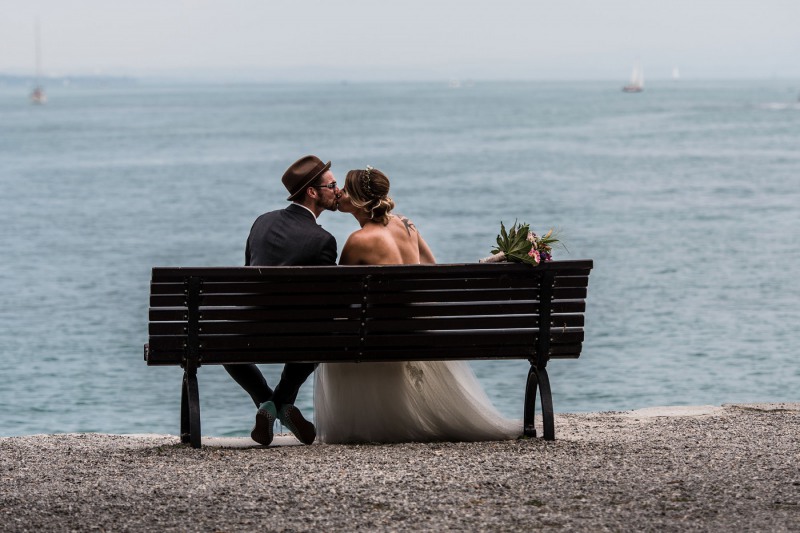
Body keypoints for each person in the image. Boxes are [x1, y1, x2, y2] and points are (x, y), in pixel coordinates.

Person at [314, 166, 522, 443]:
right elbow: (432, 270)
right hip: (418, 335)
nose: (338, 192)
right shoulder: (406, 224)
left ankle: (367, 424)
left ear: (359, 200)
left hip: (382, 342)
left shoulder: (358, 241)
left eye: (345, 190)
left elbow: (342, 300)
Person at [225, 154, 341, 446]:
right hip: (297, 337)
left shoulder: (262, 222)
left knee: (220, 341)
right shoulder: (322, 240)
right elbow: (332, 300)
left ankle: (266, 403)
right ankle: (283, 403)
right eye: (332, 185)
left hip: (249, 333)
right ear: (312, 192)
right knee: (320, 330)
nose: (337, 190)